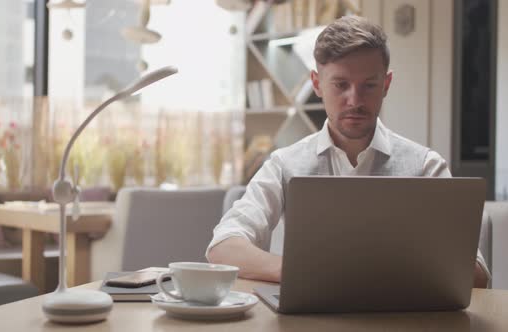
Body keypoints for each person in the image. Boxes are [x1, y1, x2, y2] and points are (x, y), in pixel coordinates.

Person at [206, 16, 490, 288]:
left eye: (369, 85)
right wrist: (299, 270)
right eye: (341, 85)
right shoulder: (285, 164)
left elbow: (476, 274)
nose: (355, 100)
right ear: (317, 84)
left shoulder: (427, 166)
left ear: (386, 85)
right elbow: (222, 248)